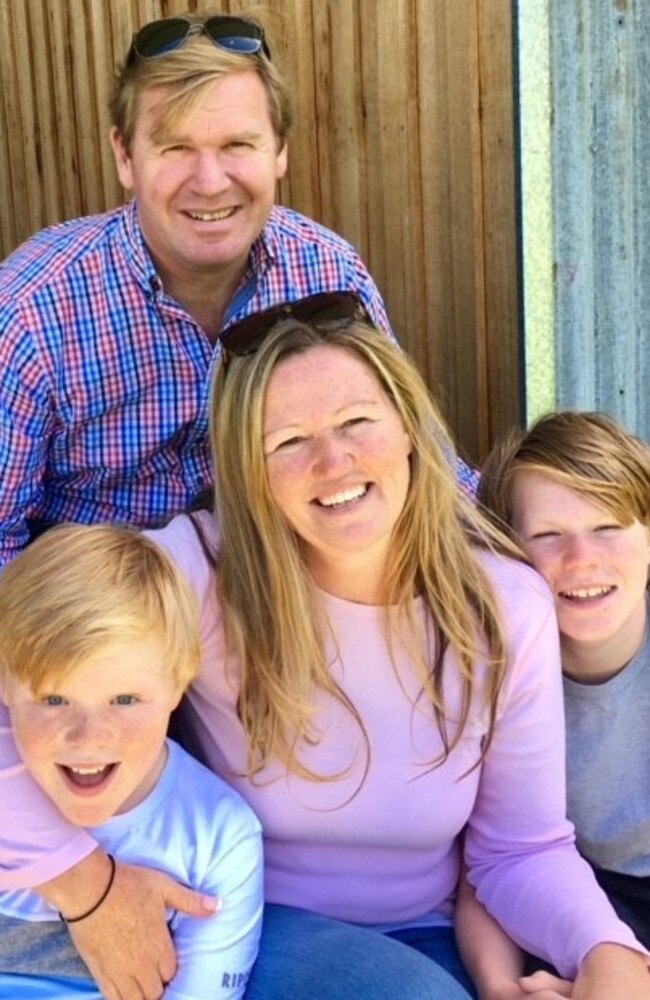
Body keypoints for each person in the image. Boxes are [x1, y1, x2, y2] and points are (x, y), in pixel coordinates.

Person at [1, 306, 647, 1000]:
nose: (333, 461)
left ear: (409, 430)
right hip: (243, 922)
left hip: (428, 934)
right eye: (288, 441)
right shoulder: (195, 574)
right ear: (250, 472)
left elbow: (519, 850)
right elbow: (22, 678)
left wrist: (608, 952)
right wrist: (83, 884)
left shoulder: (502, 604)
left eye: (356, 423)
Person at [0, 10, 431, 569]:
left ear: (278, 151)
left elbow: (416, 457)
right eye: (176, 148)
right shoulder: (31, 310)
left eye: (237, 144)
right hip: (111, 626)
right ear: (125, 156)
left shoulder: (326, 273)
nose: (209, 182)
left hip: (291, 602)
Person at [0, 522, 263, 1000]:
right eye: (54, 699)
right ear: (4, 686)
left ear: (178, 684)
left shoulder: (218, 837)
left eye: (124, 699)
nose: (88, 736)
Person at [453, 410, 650, 1000]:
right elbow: (482, 870)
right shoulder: (493, 672)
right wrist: (500, 987)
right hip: (576, 903)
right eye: (546, 535)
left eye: (608, 526)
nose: (581, 558)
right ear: (504, 554)